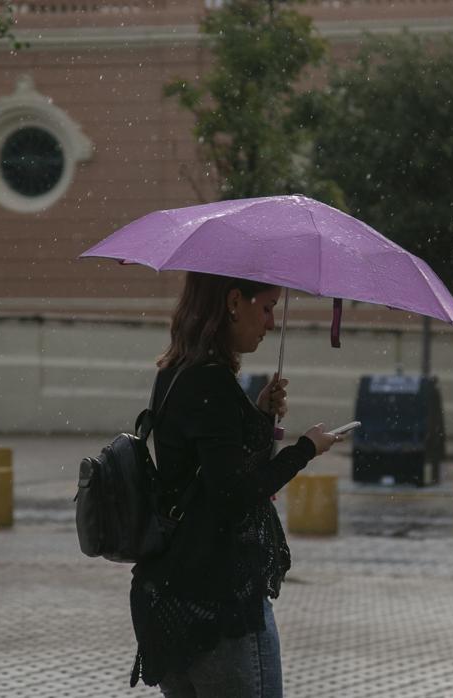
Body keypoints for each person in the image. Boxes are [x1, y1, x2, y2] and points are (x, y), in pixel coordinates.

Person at [128, 271, 340, 696]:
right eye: (266, 308)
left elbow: (210, 470)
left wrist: (259, 415)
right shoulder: (212, 381)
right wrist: (305, 449)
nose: (271, 323)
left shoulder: (176, 373)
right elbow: (234, 495)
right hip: (219, 607)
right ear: (234, 302)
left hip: (171, 601)